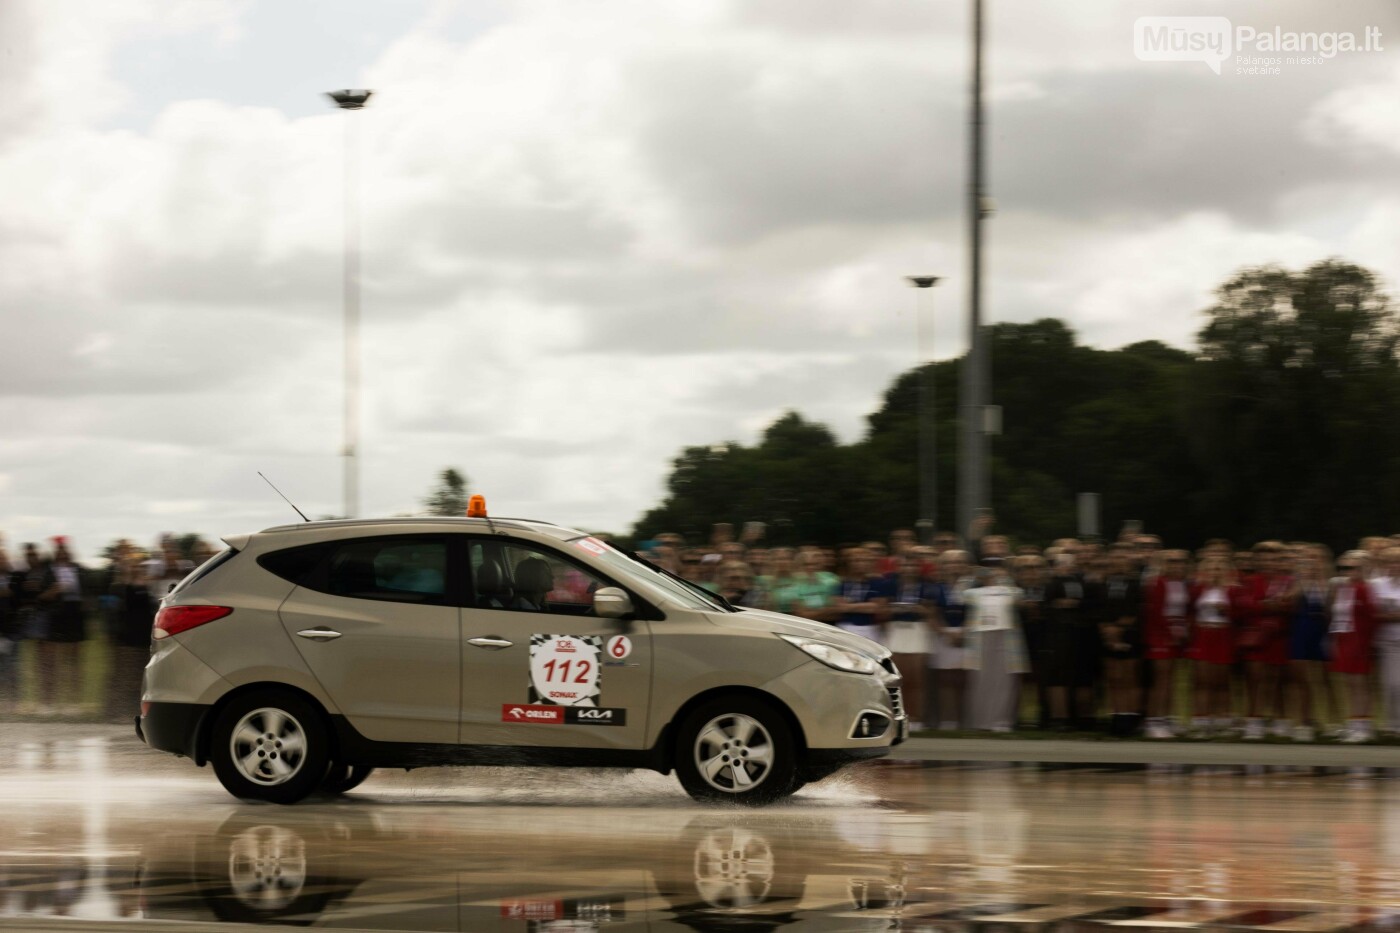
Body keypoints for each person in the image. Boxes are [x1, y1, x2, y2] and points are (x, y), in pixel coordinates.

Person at [962, 565, 1030, 732]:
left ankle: (1002, 721)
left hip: (1006, 639)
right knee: (980, 679)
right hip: (980, 639)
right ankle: (981, 721)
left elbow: (1018, 596)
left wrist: (1004, 578)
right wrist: (977, 577)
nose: (992, 574)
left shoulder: (1011, 591)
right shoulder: (973, 592)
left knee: (1004, 680)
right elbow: (960, 594)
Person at [1241, 542, 1296, 740]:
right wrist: (1269, 606)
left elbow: (1291, 606)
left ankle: (1279, 720)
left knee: (1277, 680)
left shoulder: (1288, 581)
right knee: (1255, 680)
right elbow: (1245, 606)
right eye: (1264, 559)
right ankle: (1254, 721)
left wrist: (1270, 606)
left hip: (1279, 637)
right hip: (1257, 637)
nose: (1268, 563)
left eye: (1273, 559)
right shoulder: (1250, 581)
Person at [1187, 556, 1242, 737]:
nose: (1215, 572)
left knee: (1222, 682)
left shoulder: (1233, 590)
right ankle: (1201, 720)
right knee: (1202, 681)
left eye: (1219, 568)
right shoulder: (1198, 589)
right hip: (1204, 634)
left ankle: (1222, 720)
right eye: (1211, 568)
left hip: (1223, 635)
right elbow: (1189, 611)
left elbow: (1241, 614)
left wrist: (1227, 610)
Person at [1329, 552, 1377, 743]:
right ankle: (1354, 724)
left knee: (1360, 684)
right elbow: (1338, 617)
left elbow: (1370, 618)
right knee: (1349, 684)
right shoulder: (1343, 588)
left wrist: (1362, 643)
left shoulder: (1365, 588)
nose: (1349, 571)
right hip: (1344, 638)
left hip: (1359, 641)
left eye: (1353, 568)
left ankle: (1364, 727)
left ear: (1363, 569)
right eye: (1345, 568)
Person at [885, 553, 936, 731]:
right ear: (900, 568)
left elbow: (931, 612)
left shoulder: (927, 586)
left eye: (913, 565)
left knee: (916, 678)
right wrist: (893, 608)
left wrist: (920, 608)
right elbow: (883, 609)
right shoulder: (892, 585)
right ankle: (897, 715)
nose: (909, 569)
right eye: (905, 566)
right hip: (896, 628)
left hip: (917, 629)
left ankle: (916, 717)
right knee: (897, 677)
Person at [1095, 548, 1143, 737]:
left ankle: (1130, 717)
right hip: (1106, 635)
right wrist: (1107, 629)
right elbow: (1099, 608)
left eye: (1123, 558)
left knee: (1129, 678)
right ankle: (1117, 715)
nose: (1118, 562)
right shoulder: (1102, 584)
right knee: (1113, 678)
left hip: (1130, 633)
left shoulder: (1136, 584)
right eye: (1114, 558)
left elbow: (1136, 608)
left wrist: (1120, 628)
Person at [1144, 550, 1191, 738]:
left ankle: (1168, 718)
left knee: (1172, 680)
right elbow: (1155, 613)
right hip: (1160, 635)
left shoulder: (1182, 583)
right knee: (1161, 680)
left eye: (1180, 562)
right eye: (1171, 562)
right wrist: (1171, 632)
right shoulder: (1157, 583)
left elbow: (1184, 610)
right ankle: (1154, 721)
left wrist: (1183, 629)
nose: (1177, 565)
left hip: (1177, 634)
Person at [1288, 546, 1333, 741]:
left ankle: (1332, 722)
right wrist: (1302, 580)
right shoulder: (1298, 583)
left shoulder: (1332, 583)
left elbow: (1332, 610)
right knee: (1302, 681)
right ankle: (1305, 722)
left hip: (1322, 632)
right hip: (1301, 631)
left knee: (1326, 681)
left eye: (1317, 559)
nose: (1313, 563)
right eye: (1309, 559)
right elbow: (1289, 600)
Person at [106, 543, 154, 722]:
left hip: (143, 638)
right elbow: (117, 610)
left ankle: (135, 710)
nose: (137, 569)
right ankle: (116, 712)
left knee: (139, 677)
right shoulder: (122, 587)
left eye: (139, 565)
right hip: (126, 639)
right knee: (123, 676)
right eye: (133, 565)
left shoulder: (146, 585)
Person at [930, 549, 975, 730]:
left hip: (969, 634)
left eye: (959, 562)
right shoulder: (936, 587)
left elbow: (978, 613)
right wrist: (945, 632)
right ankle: (948, 720)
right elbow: (931, 614)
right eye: (950, 562)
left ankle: (967, 720)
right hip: (944, 634)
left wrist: (965, 631)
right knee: (945, 679)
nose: (955, 566)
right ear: (943, 566)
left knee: (965, 679)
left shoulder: (974, 587)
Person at [42, 537, 86, 714]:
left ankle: (73, 703)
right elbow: (41, 596)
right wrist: (54, 591)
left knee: (73, 662)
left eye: (64, 550)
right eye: (59, 551)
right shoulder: (48, 572)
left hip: (74, 615)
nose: (62, 554)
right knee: (52, 662)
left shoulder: (79, 570)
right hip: (55, 616)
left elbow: (88, 592)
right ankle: (49, 703)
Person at [832, 547, 890, 644]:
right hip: (846, 627)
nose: (860, 564)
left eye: (864, 560)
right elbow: (839, 607)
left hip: (871, 628)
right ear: (849, 563)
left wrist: (849, 606)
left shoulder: (878, 583)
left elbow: (877, 608)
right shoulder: (842, 583)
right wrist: (866, 606)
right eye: (856, 560)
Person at [1371, 548, 1400, 737]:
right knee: (1392, 684)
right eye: (1390, 562)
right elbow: (1370, 612)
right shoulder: (1375, 585)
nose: (1394, 566)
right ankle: (1392, 726)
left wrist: (1388, 615)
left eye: (1397, 562)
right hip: (1388, 642)